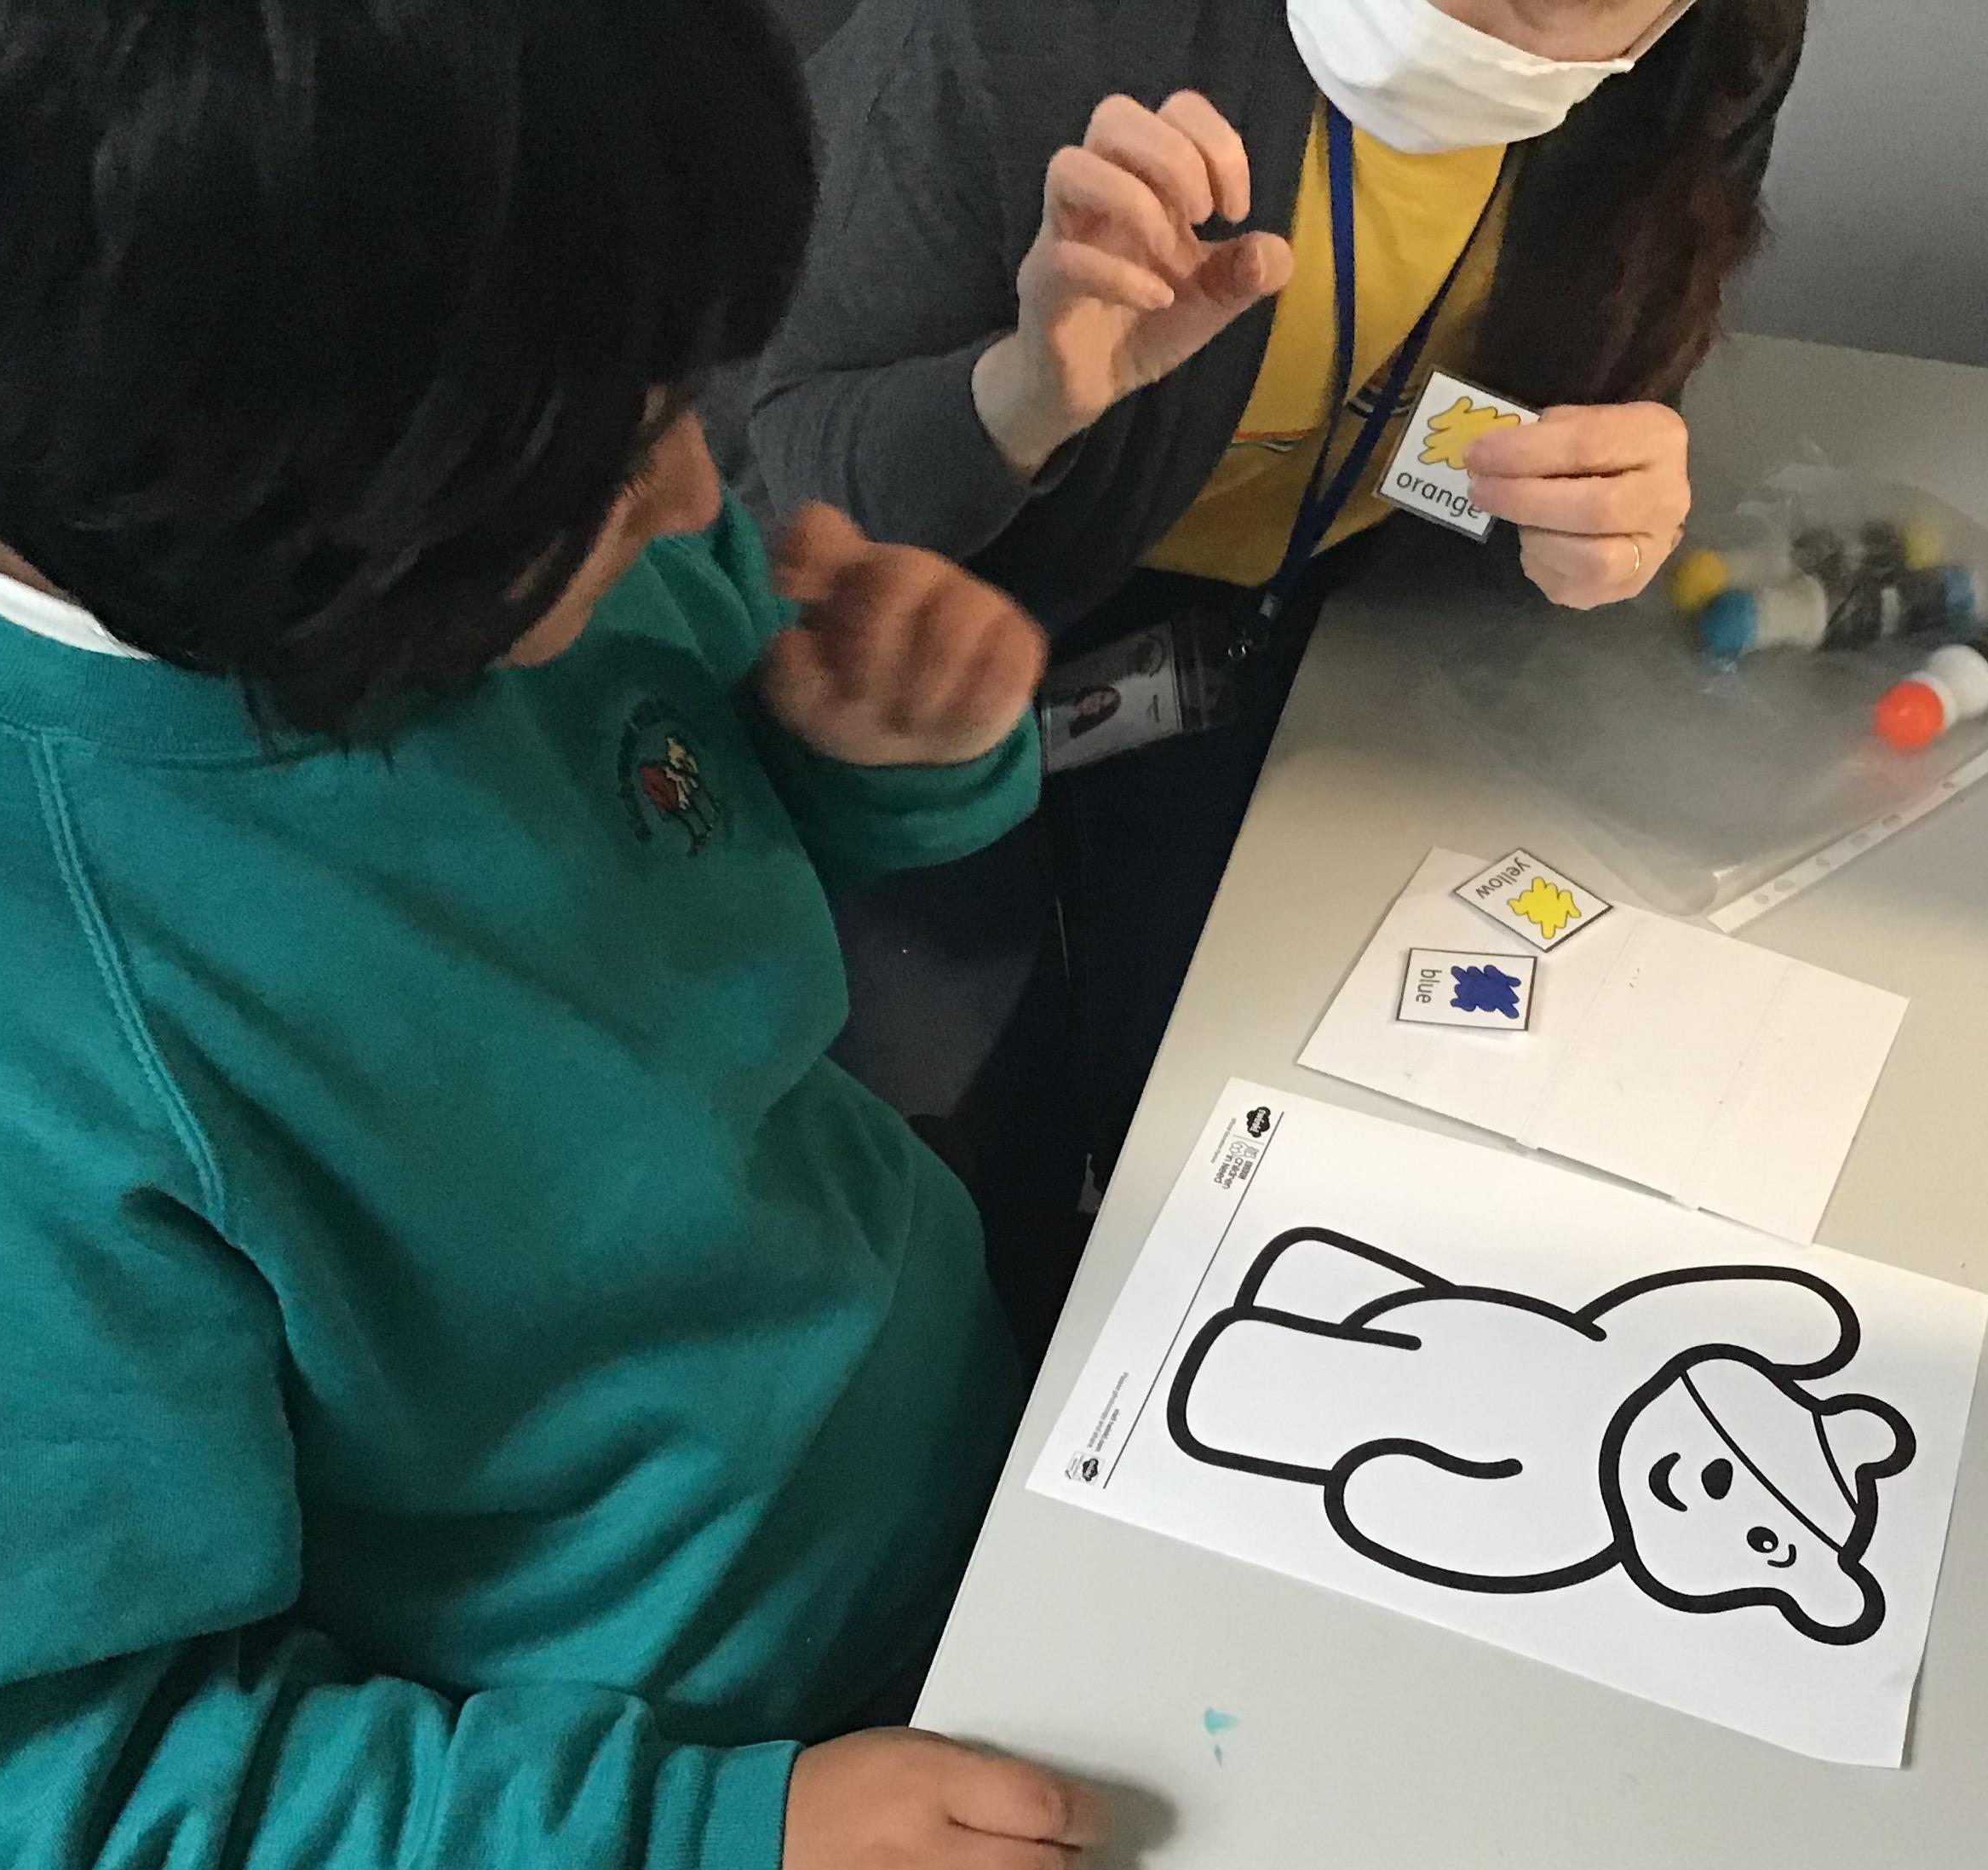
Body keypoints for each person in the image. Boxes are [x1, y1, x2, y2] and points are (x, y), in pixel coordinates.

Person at [0, 3, 1101, 1870]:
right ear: (291, 479)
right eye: (611, 453)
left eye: (676, 399)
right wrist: (704, 1860)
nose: (695, 494)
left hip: (981, 1489)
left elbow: (705, 864)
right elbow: (81, 1808)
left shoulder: (475, 520)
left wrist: (892, 753)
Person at [721, 0, 1808, 1323]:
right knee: (954, 1178)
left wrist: (1584, 505)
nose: (1536, 32)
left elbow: (1558, 397)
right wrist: (1025, 393)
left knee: (1249, 1124)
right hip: (927, 650)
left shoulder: (1716, 47)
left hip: (1293, 628)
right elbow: (787, 493)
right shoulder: (1021, 37)